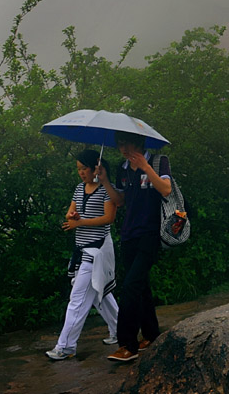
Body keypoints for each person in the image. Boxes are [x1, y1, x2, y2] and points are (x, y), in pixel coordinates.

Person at [100, 131, 172, 362]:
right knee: (140, 287)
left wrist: (144, 166)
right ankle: (151, 335)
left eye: (126, 143)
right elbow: (119, 201)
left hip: (150, 234)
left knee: (130, 286)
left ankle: (127, 345)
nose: (123, 148)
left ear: (139, 141)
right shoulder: (122, 169)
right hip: (129, 235)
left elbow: (165, 189)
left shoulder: (159, 161)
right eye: (119, 144)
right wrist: (104, 181)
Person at [45, 150, 120, 360]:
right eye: (78, 169)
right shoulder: (79, 189)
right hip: (81, 249)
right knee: (101, 294)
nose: (80, 173)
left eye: (83, 168)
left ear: (95, 168)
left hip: (96, 251)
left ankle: (66, 346)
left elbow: (109, 218)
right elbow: (71, 212)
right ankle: (120, 330)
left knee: (77, 299)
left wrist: (80, 222)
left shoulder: (106, 190)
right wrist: (72, 215)